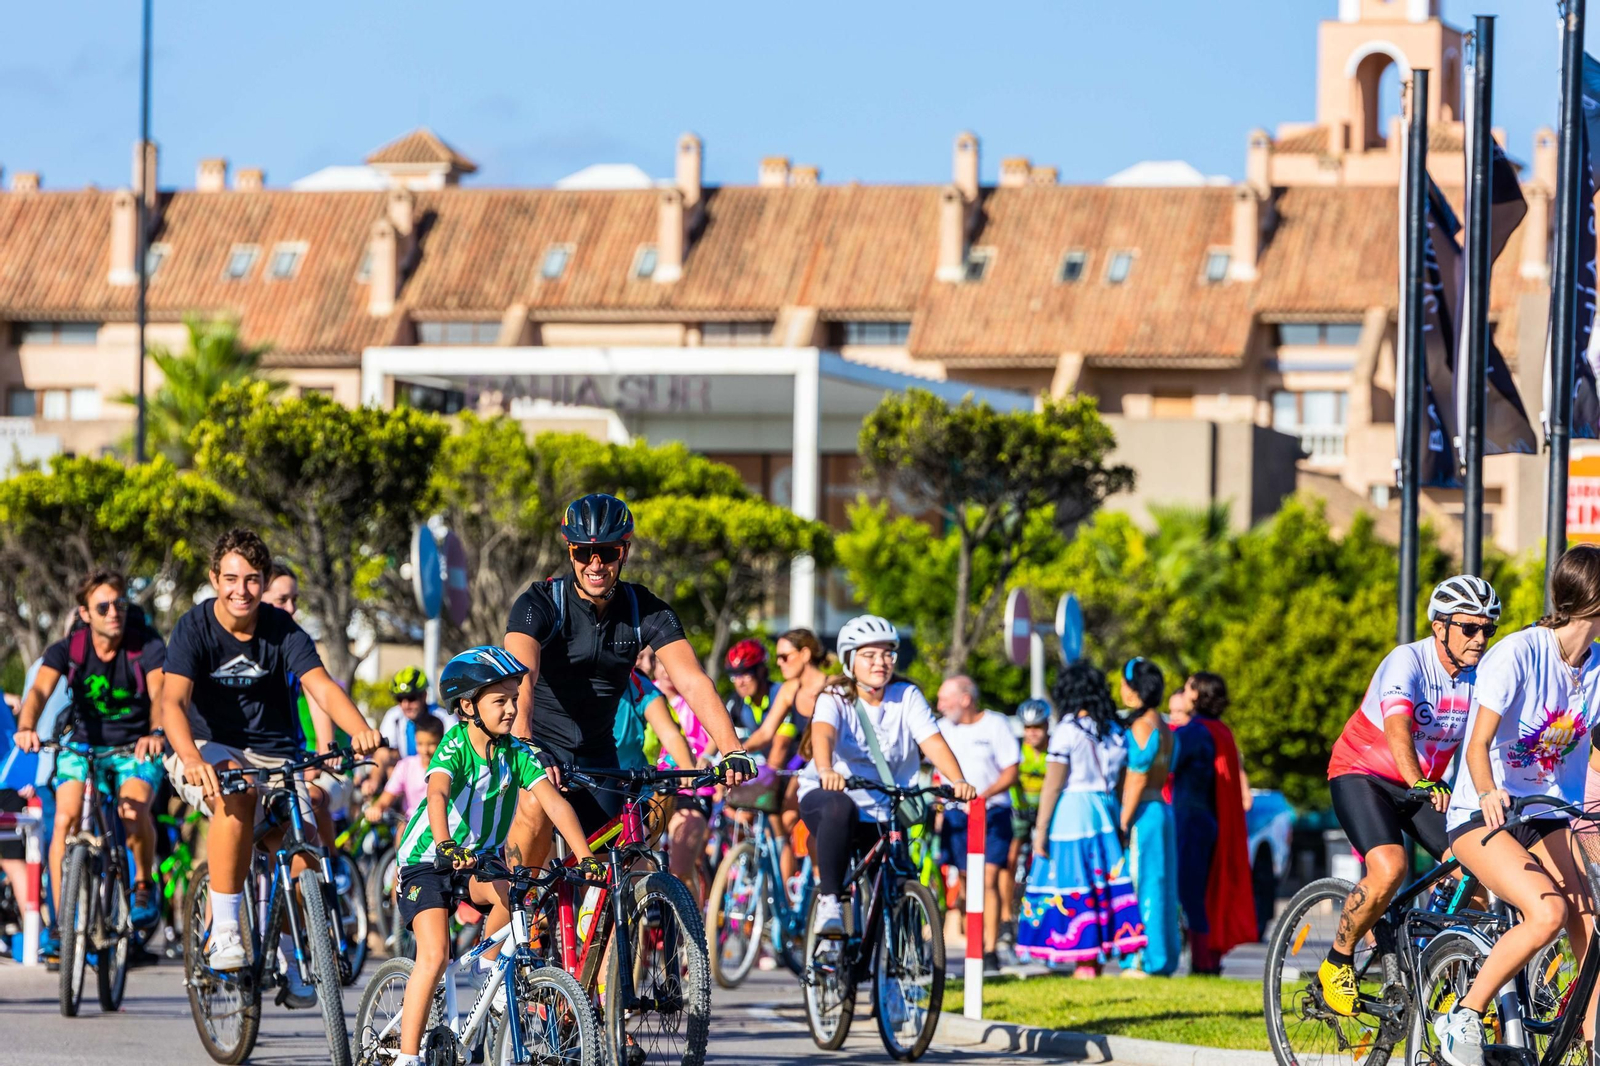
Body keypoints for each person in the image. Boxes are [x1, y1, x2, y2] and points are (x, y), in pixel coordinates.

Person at [158, 528, 381, 1010]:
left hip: (276, 756)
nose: (242, 590)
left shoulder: (282, 630)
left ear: (263, 582)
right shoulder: (193, 628)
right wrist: (193, 759)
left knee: (301, 847)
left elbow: (321, 686)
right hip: (203, 745)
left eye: (253, 579)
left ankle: (294, 956)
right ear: (214, 578)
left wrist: (358, 729)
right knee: (236, 795)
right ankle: (223, 932)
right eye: (231, 578)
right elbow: (172, 703)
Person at [502, 493, 754, 870]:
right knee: (527, 875)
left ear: (625, 551)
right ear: (570, 552)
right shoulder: (541, 603)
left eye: (607, 551)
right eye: (585, 553)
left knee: (604, 887)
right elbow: (520, 676)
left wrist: (731, 748)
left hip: (600, 762)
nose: (596, 564)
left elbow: (692, 680)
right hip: (538, 751)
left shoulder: (644, 610)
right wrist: (524, 743)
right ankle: (523, 921)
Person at [390, 646, 600, 1066]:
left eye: (515, 698)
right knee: (435, 955)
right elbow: (437, 793)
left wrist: (586, 856)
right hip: (428, 860)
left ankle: (489, 965)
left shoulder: (516, 753)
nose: (511, 708)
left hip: (477, 860)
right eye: (500, 700)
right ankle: (407, 1057)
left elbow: (554, 804)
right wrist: (446, 842)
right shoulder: (456, 744)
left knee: (513, 890)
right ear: (468, 706)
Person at [1432, 547, 1600, 1066]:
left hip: (1548, 813)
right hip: (1485, 815)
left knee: (1590, 928)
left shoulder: (1596, 667)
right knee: (1548, 911)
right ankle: (1462, 1013)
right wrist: (1487, 793)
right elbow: (1477, 745)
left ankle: (1594, 1045)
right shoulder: (1519, 654)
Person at [1318, 575, 1499, 1015]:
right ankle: (1337, 960)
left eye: (1487, 629)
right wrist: (1417, 779)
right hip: (1363, 773)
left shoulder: (1481, 677)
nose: (1479, 639)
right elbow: (1398, 727)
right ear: (1440, 626)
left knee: (1477, 876)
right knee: (1390, 867)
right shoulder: (1408, 661)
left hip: (1423, 787)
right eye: (1468, 628)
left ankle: (1440, 985)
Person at [797, 615, 976, 937]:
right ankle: (830, 902)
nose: (881, 662)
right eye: (870, 655)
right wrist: (826, 770)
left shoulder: (906, 696)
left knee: (894, 881)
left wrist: (957, 779)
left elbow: (932, 741)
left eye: (887, 654)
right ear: (850, 660)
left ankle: (890, 975)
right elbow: (823, 735)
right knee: (840, 808)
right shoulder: (834, 696)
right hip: (831, 795)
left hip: (885, 805)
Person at [13, 569, 168, 933]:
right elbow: (38, 692)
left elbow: (162, 694)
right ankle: (62, 917)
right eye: (103, 606)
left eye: (120, 604)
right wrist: (26, 728)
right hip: (82, 745)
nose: (114, 612)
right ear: (84, 613)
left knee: (133, 813)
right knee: (64, 821)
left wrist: (157, 732)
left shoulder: (145, 646)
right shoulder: (70, 649)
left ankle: (143, 886)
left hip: (135, 746)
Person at [1017, 662, 1145, 975]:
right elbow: (1121, 778)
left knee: (1072, 886)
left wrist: (1040, 830)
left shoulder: (1068, 730)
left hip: (1072, 814)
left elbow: (1053, 783)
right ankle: (1095, 960)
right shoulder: (1115, 731)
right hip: (1105, 812)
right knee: (1100, 885)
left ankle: (1081, 962)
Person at [1169, 671, 1255, 975]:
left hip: (1192, 817)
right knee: (1202, 892)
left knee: (1192, 892)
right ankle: (1207, 959)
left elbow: (1166, 763)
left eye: (1189, 687)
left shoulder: (1193, 732)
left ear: (1197, 694)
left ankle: (1203, 961)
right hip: (1211, 819)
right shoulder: (1221, 731)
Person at [935, 674, 1019, 975]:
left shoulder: (995, 724)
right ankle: (975, 947)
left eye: (946, 698)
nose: (940, 705)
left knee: (989, 879)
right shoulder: (940, 729)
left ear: (965, 699)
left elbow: (1011, 770)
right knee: (969, 881)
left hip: (992, 812)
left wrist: (981, 796)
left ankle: (990, 948)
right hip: (957, 815)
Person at [1117, 657, 1179, 978]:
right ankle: (1164, 957)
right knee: (1162, 884)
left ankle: (1142, 958)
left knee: (1141, 884)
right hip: (1161, 812)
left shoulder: (1141, 726)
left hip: (1143, 814)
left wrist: (1122, 820)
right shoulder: (1165, 727)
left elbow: (1137, 776)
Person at [653, 647, 718, 901]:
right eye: (662, 663)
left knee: (680, 869)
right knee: (638, 869)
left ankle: (691, 934)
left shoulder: (697, 694)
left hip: (691, 789)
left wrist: (706, 757)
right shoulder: (644, 691)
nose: (669, 671)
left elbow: (717, 731)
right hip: (650, 787)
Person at [1001, 698, 1051, 939]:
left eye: (1037, 728)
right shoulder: (1017, 749)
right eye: (1028, 728)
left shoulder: (1053, 750)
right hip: (1020, 812)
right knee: (1010, 859)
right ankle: (1005, 916)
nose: (1033, 734)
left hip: (1045, 814)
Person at [364, 712, 444, 823]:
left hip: (441, 823)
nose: (425, 750)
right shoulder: (406, 766)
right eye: (420, 744)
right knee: (400, 835)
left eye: (431, 744)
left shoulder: (447, 768)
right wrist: (378, 807)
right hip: (411, 823)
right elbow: (387, 796)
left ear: (441, 742)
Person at [378, 667, 457, 758]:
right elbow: (388, 750)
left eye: (411, 698)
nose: (405, 705)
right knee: (381, 754)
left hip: (436, 765)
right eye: (399, 699)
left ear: (424, 696)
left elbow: (453, 751)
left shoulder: (444, 717)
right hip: (404, 768)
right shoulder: (393, 715)